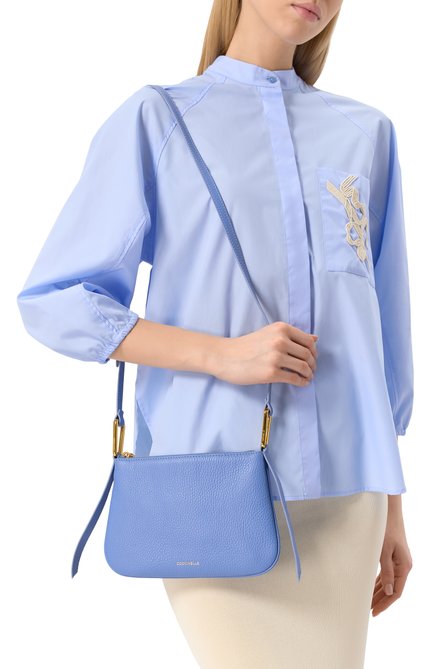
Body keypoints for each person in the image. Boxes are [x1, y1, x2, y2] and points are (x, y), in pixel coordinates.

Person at [16, 0, 414, 667]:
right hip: (208, 488)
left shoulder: (366, 133)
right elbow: (57, 301)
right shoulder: (159, 119)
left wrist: (394, 510)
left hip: (350, 500)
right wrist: (222, 356)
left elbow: (385, 344)